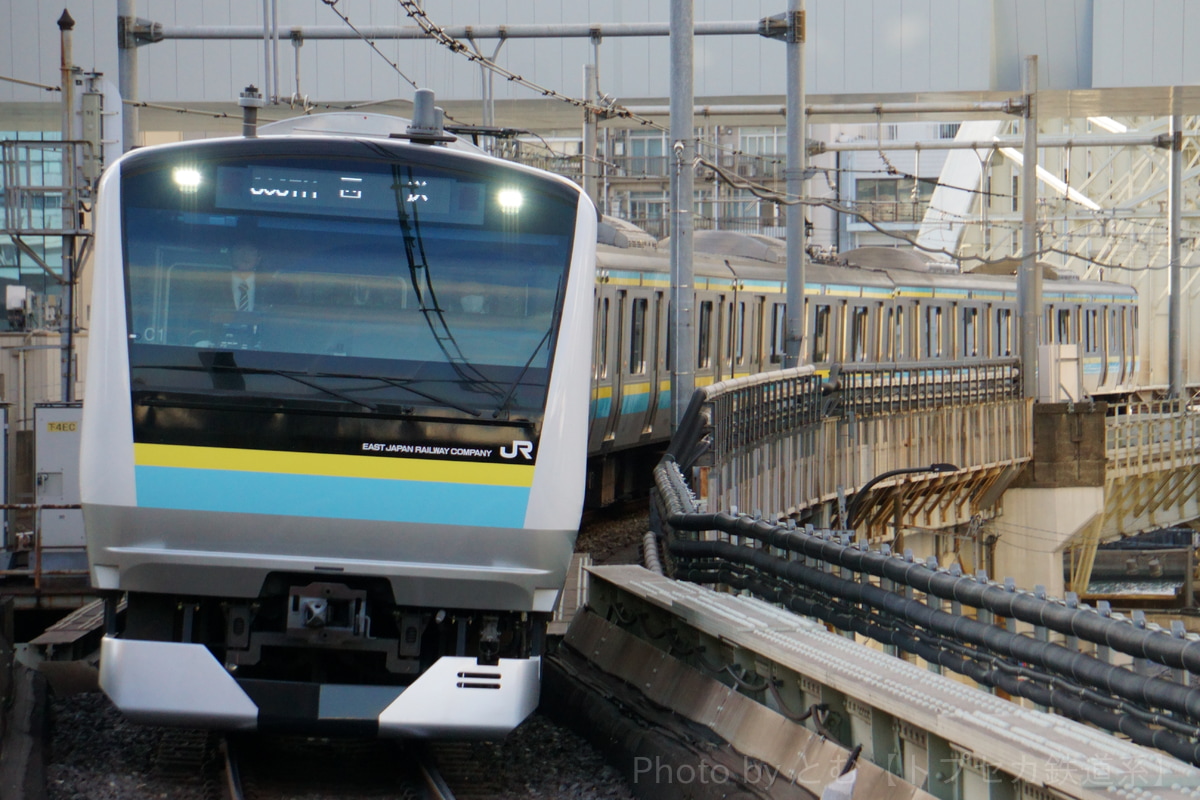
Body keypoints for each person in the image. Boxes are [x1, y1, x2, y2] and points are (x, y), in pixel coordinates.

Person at [230, 243, 259, 311]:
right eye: (239, 249)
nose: (245, 255)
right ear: (231, 256)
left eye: (250, 250)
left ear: (258, 259)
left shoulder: (270, 285)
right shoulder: (214, 284)